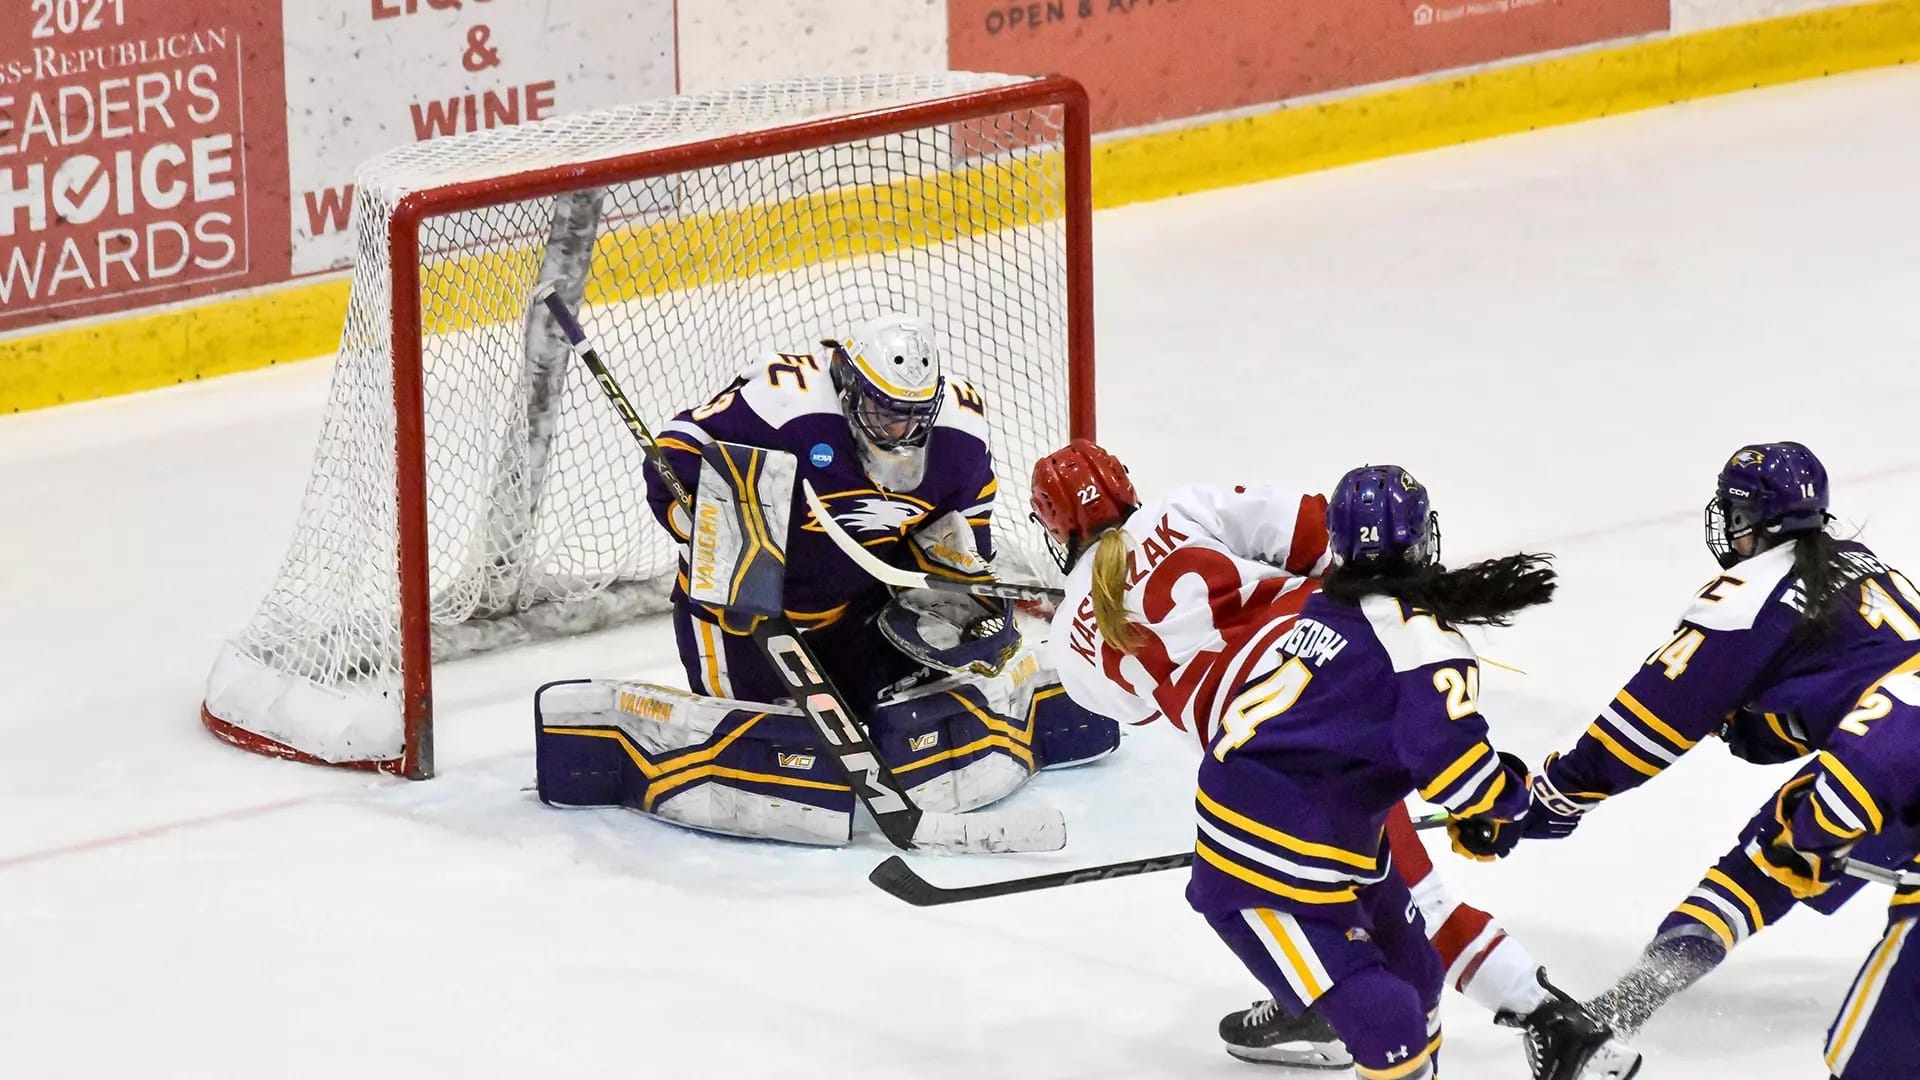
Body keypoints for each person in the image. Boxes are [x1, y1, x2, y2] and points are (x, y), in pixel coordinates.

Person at [1029, 440, 1639, 1080]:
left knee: (1398, 906)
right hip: (1335, 678)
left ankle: (1508, 1020)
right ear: (1125, 485)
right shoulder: (1183, 508)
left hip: (1277, 742)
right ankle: (1366, 1010)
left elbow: (1140, 712)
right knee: (1400, 908)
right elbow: (1319, 535)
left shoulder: (1071, 641)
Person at [536, 315, 1117, 845]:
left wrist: (956, 591)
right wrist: (703, 522)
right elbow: (677, 448)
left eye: (915, 415)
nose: (901, 430)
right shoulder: (782, 403)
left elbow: (970, 541)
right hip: (746, 612)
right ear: (849, 389)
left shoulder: (960, 435)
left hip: (861, 612)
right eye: (885, 412)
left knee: (917, 702)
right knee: (770, 744)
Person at [1488, 442, 1920, 1078]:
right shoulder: (1861, 562)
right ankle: (1632, 999)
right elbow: (1843, 686)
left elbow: (1647, 722)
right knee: (1781, 846)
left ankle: (1625, 1005)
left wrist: (1554, 793)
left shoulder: (1748, 595)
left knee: (1774, 858)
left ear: (1746, 520)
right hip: (1889, 739)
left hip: (1885, 757)